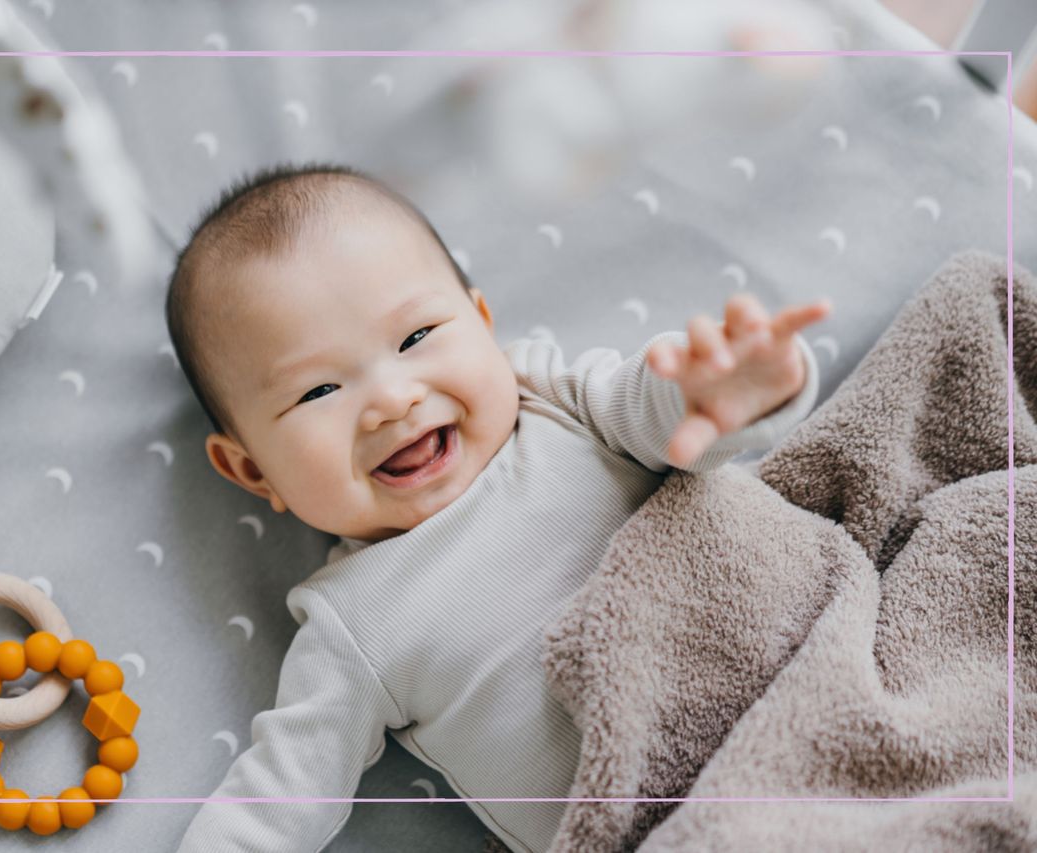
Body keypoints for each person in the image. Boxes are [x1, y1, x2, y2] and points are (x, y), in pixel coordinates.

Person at [165, 162, 830, 852]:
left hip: (816, 676)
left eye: (416, 337)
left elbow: (657, 405)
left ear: (482, 324)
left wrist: (727, 392)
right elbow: (277, 795)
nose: (394, 399)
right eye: (318, 391)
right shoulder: (353, 620)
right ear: (250, 470)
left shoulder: (555, 402)